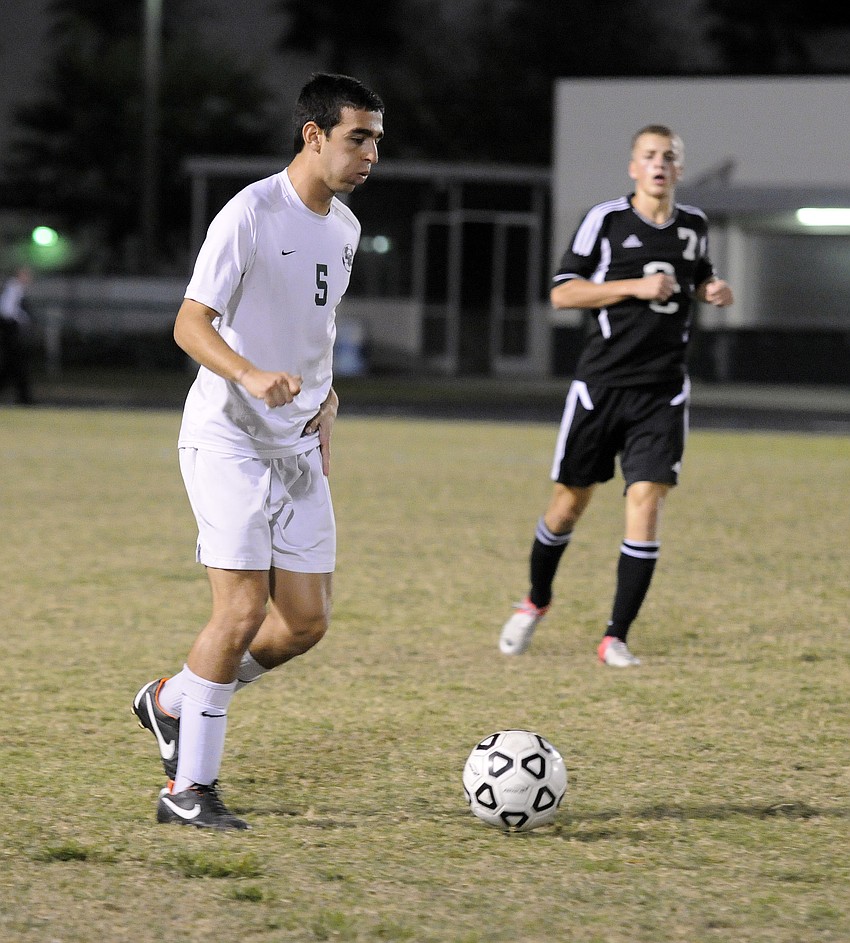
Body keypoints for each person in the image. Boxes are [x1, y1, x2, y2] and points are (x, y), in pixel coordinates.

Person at [132, 73, 384, 829]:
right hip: (229, 438)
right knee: (240, 609)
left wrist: (327, 398)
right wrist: (246, 372)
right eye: (358, 137)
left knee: (303, 623)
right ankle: (188, 790)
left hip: (298, 444)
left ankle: (175, 699)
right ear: (314, 135)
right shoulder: (249, 212)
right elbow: (188, 322)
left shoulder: (342, 227)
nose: (371, 153)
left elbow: (316, 329)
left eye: (376, 139)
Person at [499, 124, 733, 667]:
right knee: (568, 505)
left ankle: (615, 637)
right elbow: (562, 293)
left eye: (669, 157)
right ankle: (536, 600)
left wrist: (710, 289)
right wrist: (632, 286)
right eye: (649, 155)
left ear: (678, 168)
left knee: (645, 502)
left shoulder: (694, 225)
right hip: (600, 387)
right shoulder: (604, 221)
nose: (659, 164)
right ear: (633, 167)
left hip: (663, 390)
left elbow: (697, 276)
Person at [0, 266, 34, 405]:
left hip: (11, 333)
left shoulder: (15, 288)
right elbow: (6, 310)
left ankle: (24, 397)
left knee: (12, 367)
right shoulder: (14, 287)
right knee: (17, 365)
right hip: (11, 333)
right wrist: (22, 319)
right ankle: (25, 398)